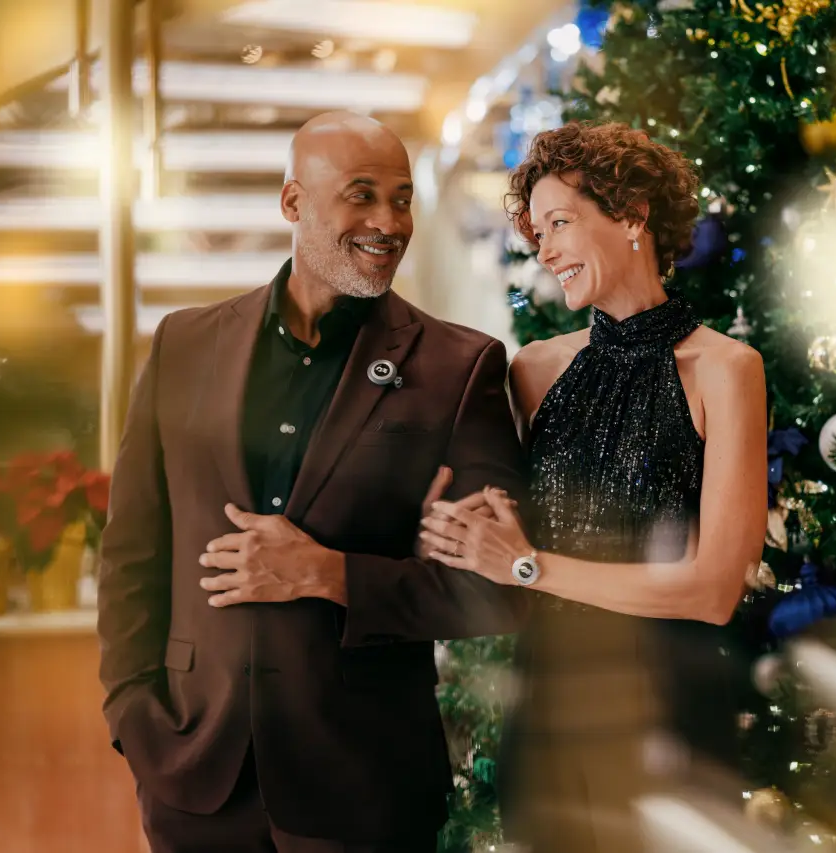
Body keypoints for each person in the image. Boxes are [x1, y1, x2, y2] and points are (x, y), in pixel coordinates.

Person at [96, 111, 527, 853]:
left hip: (365, 786)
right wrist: (132, 713)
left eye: (401, 199)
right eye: (361, 196)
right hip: (192, 779)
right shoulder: (183, 344)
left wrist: (331, 574)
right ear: (293, 203)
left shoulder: (462, 368)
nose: (388, 222)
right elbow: (133, 551)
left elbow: (493, 587)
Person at [418, 121, 768, 852]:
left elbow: (713, 589)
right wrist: (454, 527)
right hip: (546, 714)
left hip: (668, 718)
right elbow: (497, 533)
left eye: (560, 223)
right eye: (536, 230)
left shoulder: (726, 370)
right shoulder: (533, 370)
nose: (542, 249)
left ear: (633, 214)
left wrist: (531, 566)